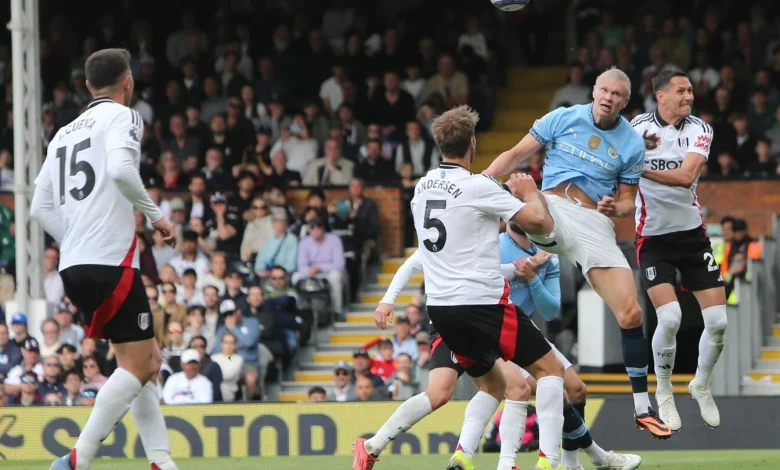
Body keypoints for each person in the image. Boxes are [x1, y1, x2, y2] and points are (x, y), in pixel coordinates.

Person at [354, 105, 566, 470]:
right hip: (483, 305)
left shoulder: (421, 188)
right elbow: (539, 224)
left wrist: (390, 299)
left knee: (493, 387)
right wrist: (529, 192)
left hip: (441, 311)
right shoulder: (479, 186)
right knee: (551, 372)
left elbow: (432, 252)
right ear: (472, 143)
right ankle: (550, 462)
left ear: (439, 145)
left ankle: (454, 455)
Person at [483, 67, 670, 439]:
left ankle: (642, 408)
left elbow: (628, 203)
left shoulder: (631, 144)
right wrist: (479, 180)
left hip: (594, 225)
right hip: (551, 208)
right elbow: (516, 153)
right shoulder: (563, 117)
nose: (608, 97)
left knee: (631, 313)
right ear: (594, 90)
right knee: (537, 214)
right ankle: (530, 195)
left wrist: (613, 209)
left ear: (624, 101)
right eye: (604, 90)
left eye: (617, 94)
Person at [375, 228, 641, 470]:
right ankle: (515, 461)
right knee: (516, 388)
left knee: (575, 388)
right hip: (489, 326)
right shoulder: (490, 241)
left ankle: (574, 460)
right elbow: (461, 271)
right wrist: (521, 268)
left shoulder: (547, 251)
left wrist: (532, 277)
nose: (523, 216)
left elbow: (550, 311)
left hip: (521, 328)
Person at [30, 48, 179, 470]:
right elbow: (120, 171)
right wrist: (156, 217)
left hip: (73, 263)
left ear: (87, 85)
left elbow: (39, 209)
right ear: (127, 82)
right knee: (142, 362)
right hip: (110, 261)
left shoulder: (61, 133)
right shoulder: (124, 116)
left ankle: (161, 462)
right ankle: (79, 457)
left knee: (144, 360)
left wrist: (74, 239)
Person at [631, 70, 725, 432]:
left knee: (718, 323)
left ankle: (700, 384)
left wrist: (641, 168)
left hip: (692, 237)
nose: (689, 96)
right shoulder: (636, 129)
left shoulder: (700, 129)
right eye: (681, 90)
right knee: (669, 318)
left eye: (690, 90)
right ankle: (665, 391)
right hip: (653, 240)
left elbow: (686, 177)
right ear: (661, 96)